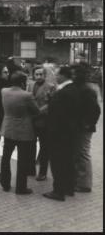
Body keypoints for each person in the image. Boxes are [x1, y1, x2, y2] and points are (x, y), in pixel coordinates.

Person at [0, 71, 40, 195]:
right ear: (23, 82)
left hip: (8, 129)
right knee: (22, 160)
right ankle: (21, 188)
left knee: (5, 157)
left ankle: (5, 184)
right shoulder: (27, 95)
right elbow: (36, 111)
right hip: (24, 131)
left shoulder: (4, 91)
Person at [43, 66, 80, 201]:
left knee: (57, 162)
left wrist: (50, 101)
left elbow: (56, 114)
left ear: (64, 76)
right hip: (71, 132)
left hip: (58, 133)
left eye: (57, 75)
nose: (55, 77)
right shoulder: (75, 90)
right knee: (68, 160)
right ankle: (69, 187)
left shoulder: (62, 93)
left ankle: (58, 191)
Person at [70, 63, 101, 193]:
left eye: (73, 74)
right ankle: (80, 180)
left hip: (84, 127)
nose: (71, 76)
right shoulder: (82, 88)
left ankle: (84, 184)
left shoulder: (87, 90)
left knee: (83, 153)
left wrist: (87, 123)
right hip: (81, 126)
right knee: (79, 152)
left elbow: (95, 110)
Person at [27, 66, 56, 181]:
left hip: (44, 121)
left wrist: (38, 112)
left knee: (44, 148)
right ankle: (31, 169)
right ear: (33, 75)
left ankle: (42, 172)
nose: (38, 77)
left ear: (45, 75)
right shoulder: (30, 85)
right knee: (30, 145)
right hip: (31, 121)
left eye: (41, 74)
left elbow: (52, 104)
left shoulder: (51, 87)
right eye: (36, 74)